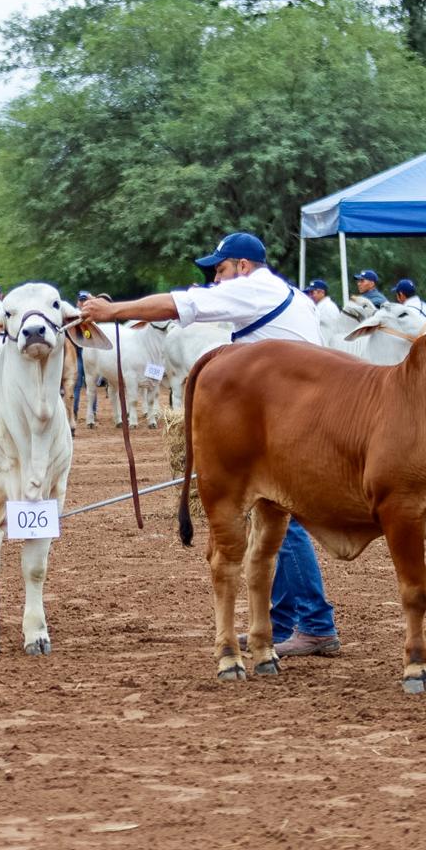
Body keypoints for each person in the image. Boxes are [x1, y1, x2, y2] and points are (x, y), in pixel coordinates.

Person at [80, 232, 340, 658]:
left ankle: (315, 624)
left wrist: (112, 311)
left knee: (281, 516)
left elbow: (177, 305)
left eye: (220, 269)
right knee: (272, 516)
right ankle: (279, 623)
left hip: (294, 420)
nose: (216, 280)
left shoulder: (253, 288)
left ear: (242, 266)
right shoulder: (291, 294)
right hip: (302, 414)